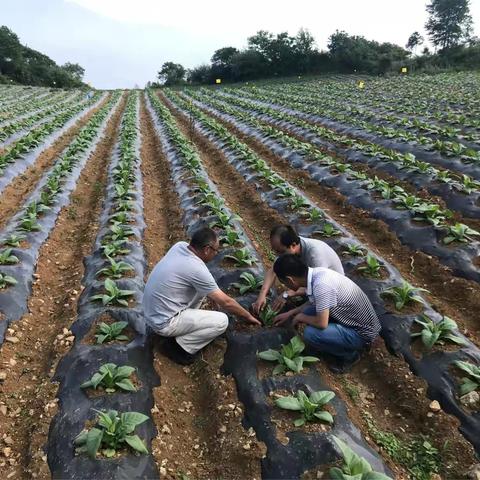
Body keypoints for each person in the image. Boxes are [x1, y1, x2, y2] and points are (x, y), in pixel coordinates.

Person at [143, 227, 260, 365]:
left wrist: (211, 295)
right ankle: (178, 348)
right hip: (163, 322)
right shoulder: (196, 268)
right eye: (216, 250)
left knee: (201, 291)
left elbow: (204, 288)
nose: (216, 254)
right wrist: (248, 316)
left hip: (151, 312)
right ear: (206, 249)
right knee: (222, 321)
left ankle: (181, 329)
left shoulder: (179, 246)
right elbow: (226, 302)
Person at [272, 254, 381, 372]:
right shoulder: (316, 274)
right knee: (308, 311)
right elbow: (312, 303)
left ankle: (350, 355)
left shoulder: (322, 285)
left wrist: (300, 317)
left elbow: (321, 323)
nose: (285, 286)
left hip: (361, 332)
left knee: (310, 334)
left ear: (290, 279)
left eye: (284, 283)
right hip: (353, 319)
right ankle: (338, 339)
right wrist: (291, 313)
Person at [252, 224, 344, 313]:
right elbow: (273, 270)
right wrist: (262, 295)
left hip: (333, 294)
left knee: (305, 313)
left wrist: (287, 294)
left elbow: (320, 286)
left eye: (280, 251)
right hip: (313, 285)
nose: (278, 255)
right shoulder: (292, 249)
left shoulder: (315, 256)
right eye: (275, 251)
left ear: (293, 245)